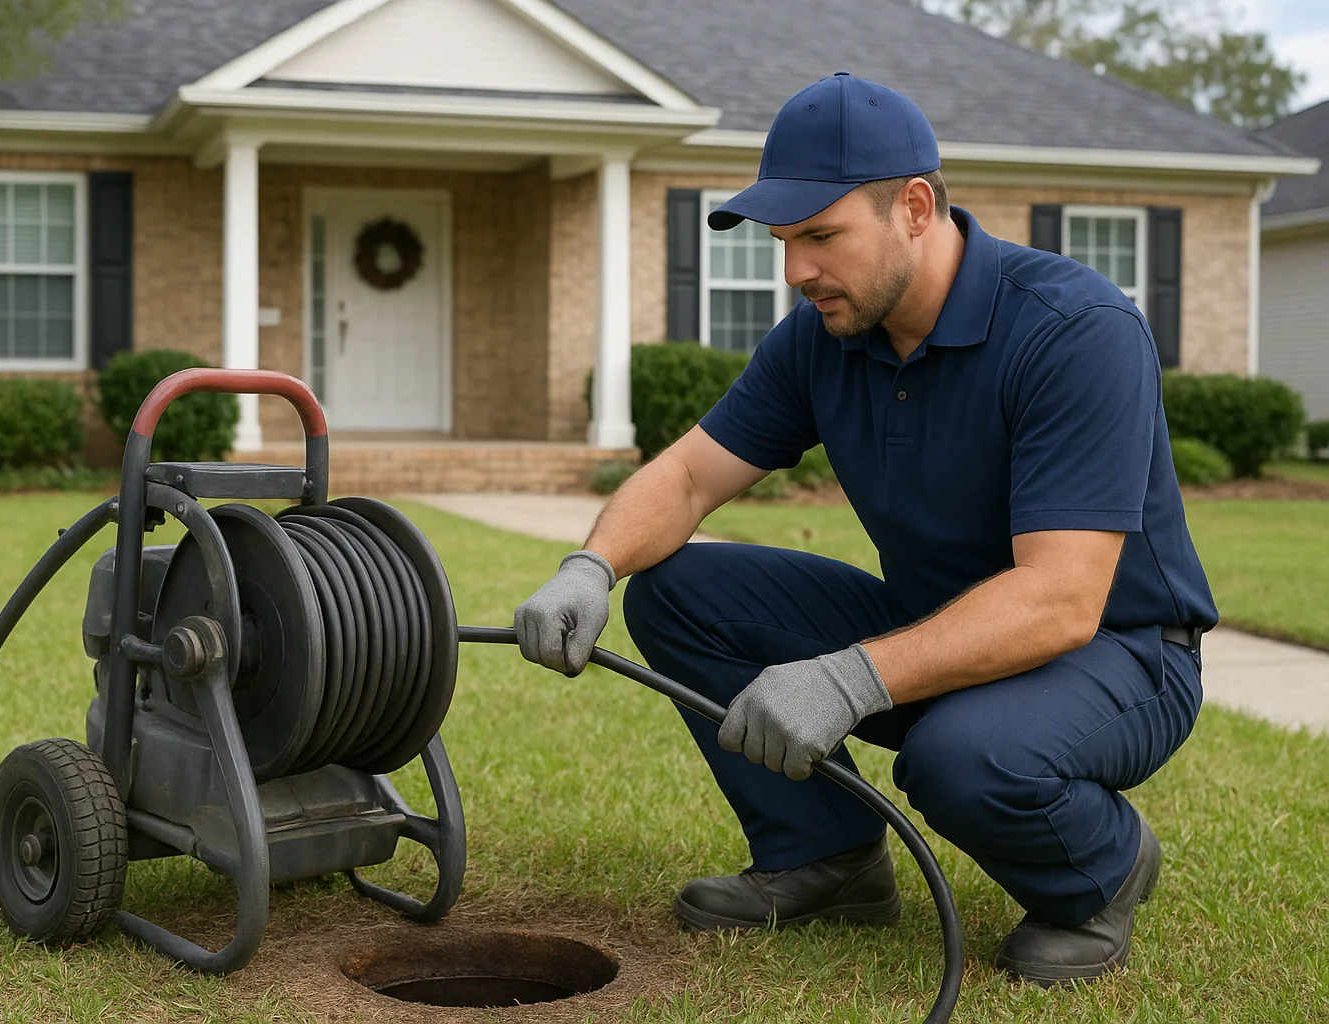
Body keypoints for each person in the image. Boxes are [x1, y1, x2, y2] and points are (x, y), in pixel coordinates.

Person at [513, 72, 1215, 986]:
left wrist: (850, 677)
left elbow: (1061, 599)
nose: (795, 270)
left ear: (914, 207)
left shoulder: (1075, 331)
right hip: (939, 622)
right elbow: (686, 476)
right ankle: (829, 859)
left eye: (820, 236)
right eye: (782, 242)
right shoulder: (822, 335)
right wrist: (589, 564)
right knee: (679, 593)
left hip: (1120, 654)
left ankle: (1102, 869)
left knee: (957, 758)